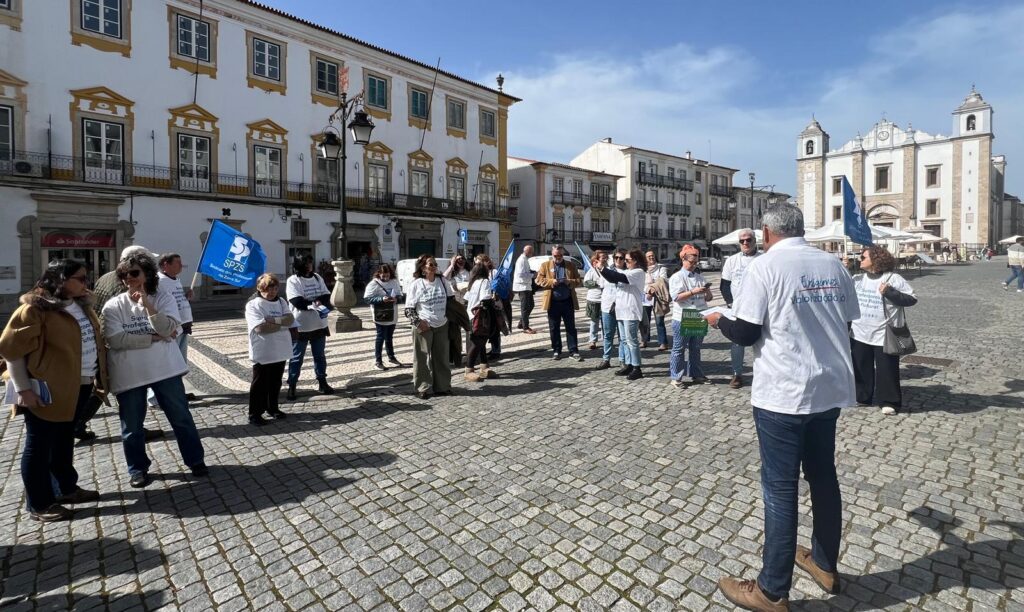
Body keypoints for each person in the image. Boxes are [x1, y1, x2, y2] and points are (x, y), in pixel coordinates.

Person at [706, 204, 860, 610]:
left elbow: (746, 331)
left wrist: (718, 319)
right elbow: (848, 319)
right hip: (828, 388)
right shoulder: (833, 264)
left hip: (784, 392)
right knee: (823, 477)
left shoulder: (766, 266)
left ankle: (772, 589)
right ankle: (824, 563)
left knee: (779, 486)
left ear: (766, 232)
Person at [0, 260, 107, 521]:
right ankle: (39, 504)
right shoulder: (34, 309)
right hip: (46, 389)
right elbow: (12, 351)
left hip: (80, 385)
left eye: (87, 277)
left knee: (63, 440)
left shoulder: (81, 305)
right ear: (60, 279)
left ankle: (66, 488)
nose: (86, 283)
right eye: (80, 278)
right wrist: (24, 390)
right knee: (39, 447)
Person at [102, 252, 207, 489]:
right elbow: (116, 340)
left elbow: (168, 328)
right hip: (130, 374)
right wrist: (153, 338)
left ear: (147, 274)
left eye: (134, 273)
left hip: (165, 370)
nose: (129, 278)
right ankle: (137, 468)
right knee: (132, 427)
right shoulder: (113, 305)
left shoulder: (163, 298)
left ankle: (195, 460)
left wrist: (148, 306)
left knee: (181, 418)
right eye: (124, 275)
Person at [851, 246, 917, 416]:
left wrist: (889, 292)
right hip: (859, 332)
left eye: (863, 257)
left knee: (887, 369)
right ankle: (862, 397)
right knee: (861, 366)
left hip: (884, 334)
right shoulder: (858, 278)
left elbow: (911, 299)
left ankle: (889, 401)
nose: (859, 259)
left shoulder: (893, 278)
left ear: (876, 260)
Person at [245, 273, 294, 426]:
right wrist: (281, 324)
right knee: (260, 383)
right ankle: (255, 413)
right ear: (261, 288)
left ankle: (272, 407)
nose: (272, 292)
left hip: (280, 348)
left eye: (275, 288)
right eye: (269, 289)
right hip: (264, 349)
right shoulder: (253, 304)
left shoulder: (281, 301)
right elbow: (260, 328)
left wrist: (273, 320)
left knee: (275, 381)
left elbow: (290, 319)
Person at [404, 255, 455, 399]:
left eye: (435, 264)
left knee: (441, 357)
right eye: (430, 264)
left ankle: (443, 386)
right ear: (423, 267)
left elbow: (451, 301)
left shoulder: (443, 281)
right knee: (421, 358)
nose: (433, 267)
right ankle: (423, 387)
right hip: (424, 325)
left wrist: (451, 319)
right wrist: (418, 322)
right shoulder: (416, 284)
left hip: (442, 324)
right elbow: (408, 309)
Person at [285, 254, 334, 400]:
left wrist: (318, 301)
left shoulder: (317, 277)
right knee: (296, 358)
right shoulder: (293, 280)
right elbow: (296, 301)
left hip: (319, 324)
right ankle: (292, 385)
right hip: (300, 326)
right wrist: (313, 304)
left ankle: (322, 381)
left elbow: (326, 294)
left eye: (310, 262)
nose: (309, 265)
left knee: (319, 356)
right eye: (306, 263)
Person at [668, 245, 713, 387]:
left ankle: (696, 374)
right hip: (683, 316)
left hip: (699, 315)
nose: (694, 265)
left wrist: (706, 291)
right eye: (691, 262)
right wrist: (693, 292)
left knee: (696, 348)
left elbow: (709, 298)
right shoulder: (677, 277)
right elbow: (676, 297)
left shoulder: (700, 277)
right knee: (679, 348)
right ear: (683, 259)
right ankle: (676, 377)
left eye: (696, 262)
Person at [598, 248, 646, 380]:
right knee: (624, 340)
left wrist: (602, 268)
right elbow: (611, 279)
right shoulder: (627, 271)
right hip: (621, 311)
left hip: (631, 311)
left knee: (632, 340)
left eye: (627, 260)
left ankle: (637, 368)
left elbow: (618, 277)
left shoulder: (638, 272)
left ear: (635, 261)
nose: (625, 262)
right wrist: (601, 269)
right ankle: (629, 364)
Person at [720, 229, 760, 388]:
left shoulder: (763, 259)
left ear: (754, 240)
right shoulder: (732, 261)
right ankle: (737, 374)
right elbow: (725, 285)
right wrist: (730, 303)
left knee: (763, 341)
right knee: (737, 342)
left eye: (748, 240)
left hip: (760, 307)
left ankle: (763, 373)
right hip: (738, 309)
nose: (745, 243)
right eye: (742, 241)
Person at [157, 253, 196, 400]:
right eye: (177, 262)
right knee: (167, 363)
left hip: (183, 325)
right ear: (165, 265)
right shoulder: (159, 282)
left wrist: (186, 298)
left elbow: (173, 301)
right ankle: (158, 397)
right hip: (172, 328)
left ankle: (177, 392)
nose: (181, 265)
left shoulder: (175, 280)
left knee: (179, 364)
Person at [536, 245, 583, 361]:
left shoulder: (571, 265)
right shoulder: (545, 265)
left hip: (568, 301)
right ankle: (556, 350)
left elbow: (578, 281)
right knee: (554, 328)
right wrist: (552, 282)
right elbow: (538, 280)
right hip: (552, 302)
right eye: (555, 255)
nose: (558, 257)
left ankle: (573, 351)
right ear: (552, 254)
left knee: (571, 327)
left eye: (560, 255)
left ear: (563, 255)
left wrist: (569, 281)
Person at [463, 262, 500, 382]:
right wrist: (493, 300)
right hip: (480, 317)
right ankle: (469, 369)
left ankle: (484, 366)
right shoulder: (485, 282)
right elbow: (485, 299)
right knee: (477, 343)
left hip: (471, 315)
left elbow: (466, 299)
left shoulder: (473, 283)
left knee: (481, 341)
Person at [363, 263, 404, 370]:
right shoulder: (374, 284)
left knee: (389, 336)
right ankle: (378, 361)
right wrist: (381, 299)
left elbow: (400, 295)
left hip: (392, 313)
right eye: (383, 275)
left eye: (387, 275)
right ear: (379, 274)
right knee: (380, 337)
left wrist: (396, 299)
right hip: (380, 314)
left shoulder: (394, 282)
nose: (386, 278)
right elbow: (367, 299)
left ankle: (391, 357)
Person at [594, 250, 623, 370]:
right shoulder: (605, 271)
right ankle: (606, 359)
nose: (618, 260)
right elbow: (601, 286)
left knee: (622, 336)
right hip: (607, 306)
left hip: (622, 307)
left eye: (621, 258)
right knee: (608, 335)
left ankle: (623, 360)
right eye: (616, 258)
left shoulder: (626, 272)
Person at [641, 250, 669, 350]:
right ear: (645, 258)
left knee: (659, 320)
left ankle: (663, 342)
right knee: (645, 321)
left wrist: (652, 289)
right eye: (648, 256)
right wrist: (648, 290)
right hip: (645, 297)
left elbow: (663, 281)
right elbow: (641, 283)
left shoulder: (661, 268)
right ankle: (644, 340)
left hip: (658, 297)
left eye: (652, 255)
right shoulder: (642, 270)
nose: (651, 257)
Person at [511, 244, 536, 334]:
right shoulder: (521, 260)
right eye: (531, 252)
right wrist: (533, 275)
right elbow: (521, 274)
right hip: (522, 286)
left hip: (527, 286)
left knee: (531, 305)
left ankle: (521, 323)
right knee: (525, 307)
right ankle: (525, 327)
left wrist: (532, 272)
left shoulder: (525, 259)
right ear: (527, 251)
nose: (532, 253)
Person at [582, 252, 605, 350]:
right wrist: (597, 283)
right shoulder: (591, 271)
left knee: (605, 322)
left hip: (606, 300)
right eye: (602, 258)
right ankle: (593, 340)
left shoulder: (607, 270)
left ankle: (606, 340)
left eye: (605, 258)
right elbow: (586, 283)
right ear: (596, 261)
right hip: (594, 299)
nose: (604, 259)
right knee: (594, 321)